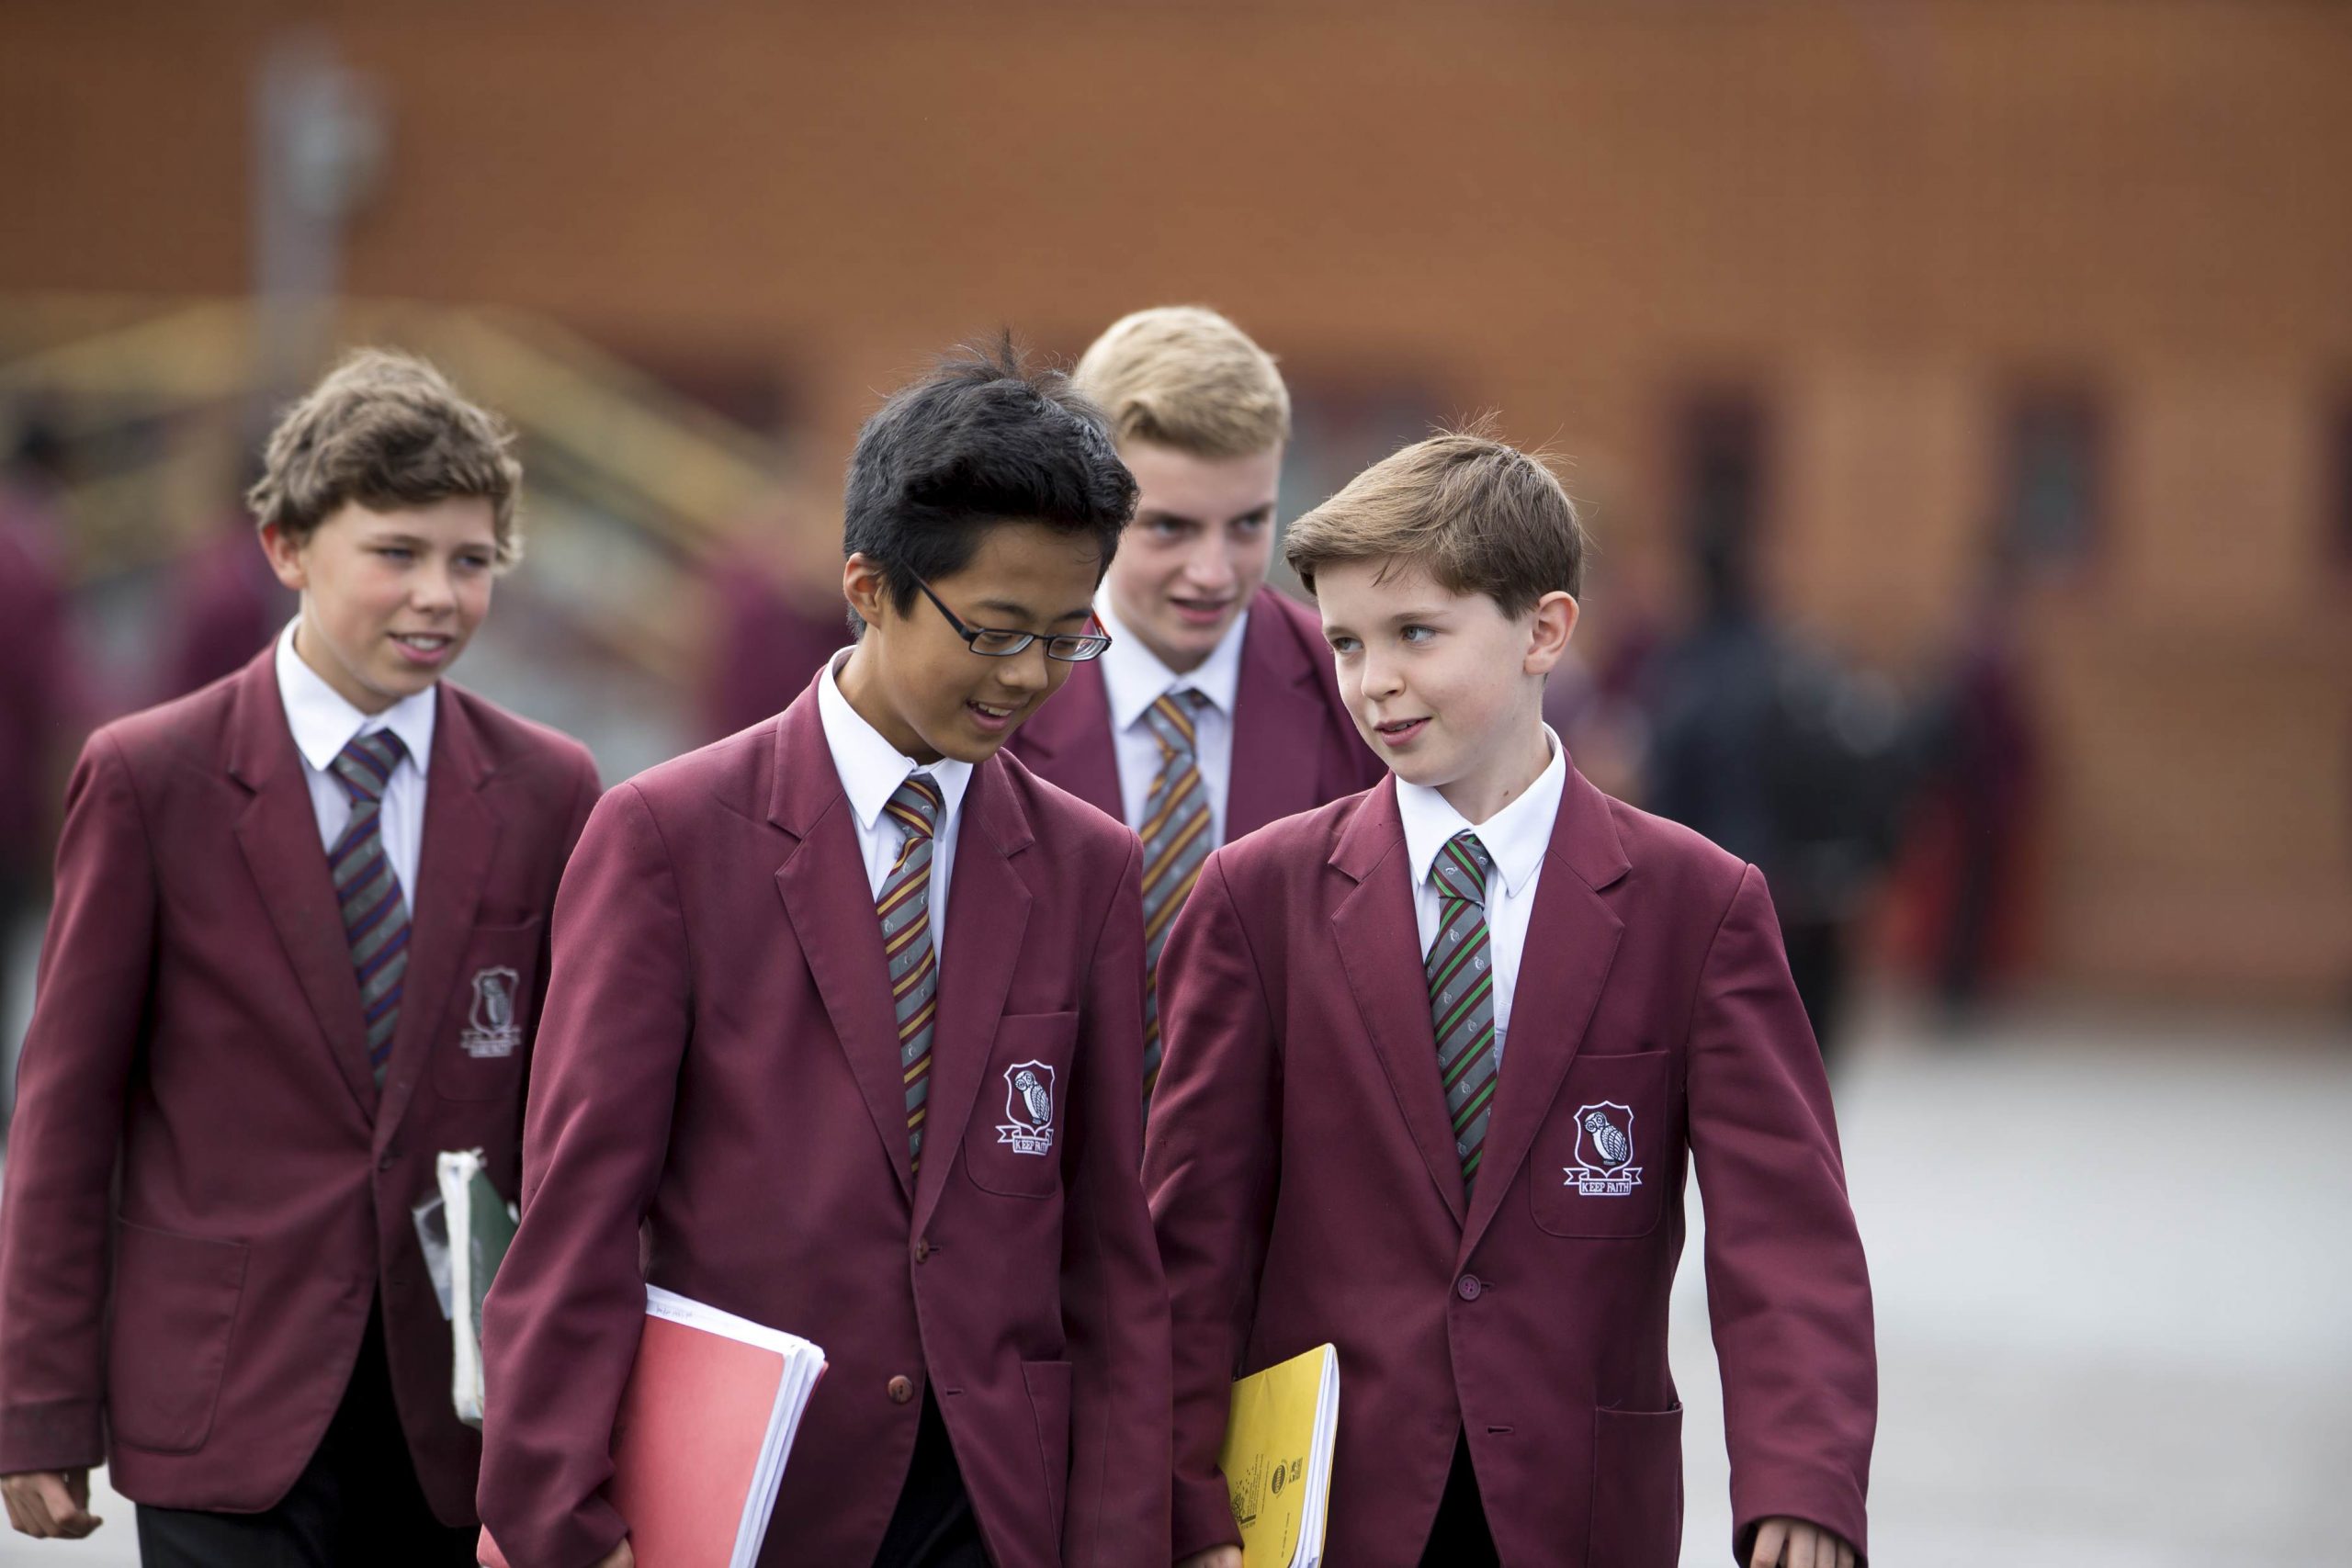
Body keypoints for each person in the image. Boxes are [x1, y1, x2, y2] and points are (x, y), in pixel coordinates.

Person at [478, 342, 1171, 1568]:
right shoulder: (668, 838)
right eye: (996, 627)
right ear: (867, 583)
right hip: (742, 1500)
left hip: (993, 1509)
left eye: (1069, 638)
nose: (1027, 675)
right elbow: (579, 1214)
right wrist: (558, 1517)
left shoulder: (1090, 869)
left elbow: (1109, 1257)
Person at [1147, 432, 1876, 1568]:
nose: (1373, 679)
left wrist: (1803, 1481)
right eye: (1345, 643)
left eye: (1415, 634)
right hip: (1327, 1513)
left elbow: (1784, 1233)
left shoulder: (1698, 903)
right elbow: (1192, 1239)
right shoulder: (1257, 899)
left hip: (1577, 1506)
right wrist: (1187, 1510)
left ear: (1545, 631)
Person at [0, 350, 603, 1565]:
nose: (438, 593)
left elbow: (580, 1110)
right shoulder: (148, 776)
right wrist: (38, 1404)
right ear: (285, 547)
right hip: (224, 1399)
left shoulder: (551, 788)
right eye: (397, 552)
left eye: (471, 560)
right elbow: (66, 1112)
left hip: (455, 1408)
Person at [1010, 306, 1379, 1100]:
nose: (1214, 572)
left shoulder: (1360, 690)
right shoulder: (1001, 685)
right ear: (1088, 509)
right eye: (1170, 528)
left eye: (1248, 524)